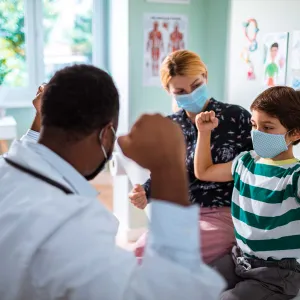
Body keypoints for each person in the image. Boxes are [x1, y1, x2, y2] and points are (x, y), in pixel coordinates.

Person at [0, 65, 225, 300]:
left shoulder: (6, 169)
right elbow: (173, 291)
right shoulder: (71, 227)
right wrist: (169, 166)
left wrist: (41, 120)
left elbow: (30, 150)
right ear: (106, 134)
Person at [129, 50, 253, 264]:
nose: (191, 94)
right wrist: (144, 193)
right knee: (139, 251)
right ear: (169, 91)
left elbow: (254, 169)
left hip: (224, 215)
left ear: (205, 76)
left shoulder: (236, 117)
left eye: (196, 85)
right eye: (181, 90)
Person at [194, 86, 300, 300]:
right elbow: (204, 171)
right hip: (239, 259)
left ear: (295, 133)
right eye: (254, 125)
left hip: (277, 274)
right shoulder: (245, 162)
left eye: (268, 127)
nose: (258, 134)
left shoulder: (294, 176)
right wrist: (204, 133)